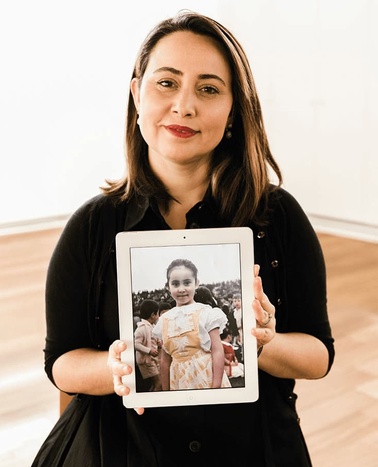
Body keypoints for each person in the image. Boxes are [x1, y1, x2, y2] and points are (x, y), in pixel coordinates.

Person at [32, 10, 334, 467]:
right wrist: (113, 369)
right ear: (137, 94)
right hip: (120, 447)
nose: (184, 105)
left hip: (252, 449)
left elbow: (318, 357)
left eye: (209, 89)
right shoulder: (91, 226)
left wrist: (264, 342)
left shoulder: (279, 217)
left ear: (234, 110)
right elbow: (62, 362)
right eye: (167, 83)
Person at [153, 259, 231, 390]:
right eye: (176, 284)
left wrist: (216, 386)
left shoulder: (206, 313)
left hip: (206, 376)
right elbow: (165, 360)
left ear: (196, 283)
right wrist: (165, 392)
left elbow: (217, 350)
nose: (182, 289)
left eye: (187, 283)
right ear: (168, 287)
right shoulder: (164, 320)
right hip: (179, 380)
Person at [133, 299, 162, 392]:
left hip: (152, 360)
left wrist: (159, 342)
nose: (158, 316)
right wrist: (149, 350)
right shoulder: (141, 329)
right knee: (159, 383)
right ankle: (153, 402)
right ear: (153, 315)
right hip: (146, 362)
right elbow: (136, 344)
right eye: (158, 314)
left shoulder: (151, 326)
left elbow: (154, 338)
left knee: (156, 384)